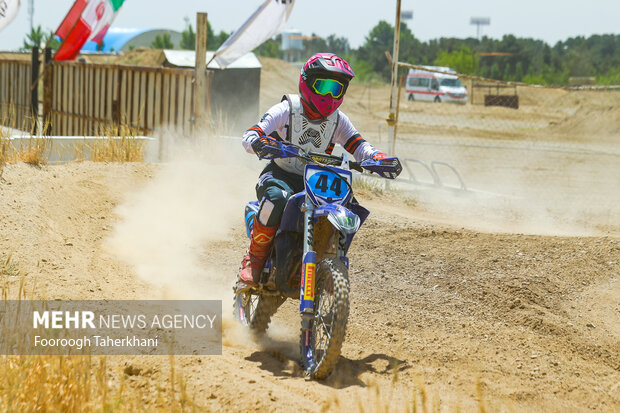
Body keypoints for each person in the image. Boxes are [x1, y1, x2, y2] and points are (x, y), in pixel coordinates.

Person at [238, 53, 390, 287]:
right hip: (280, 175)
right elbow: (253, 133)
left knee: (349, 206)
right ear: (307, 82)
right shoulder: (287, 109)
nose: (329, 95)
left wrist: (377, 158)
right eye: (323, 86)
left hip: (316, 180)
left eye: (336, 89)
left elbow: (359, 146)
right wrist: (259, 141)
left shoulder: (338, 121)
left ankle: (329, 263)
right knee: (277, 198)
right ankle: (254, 260)